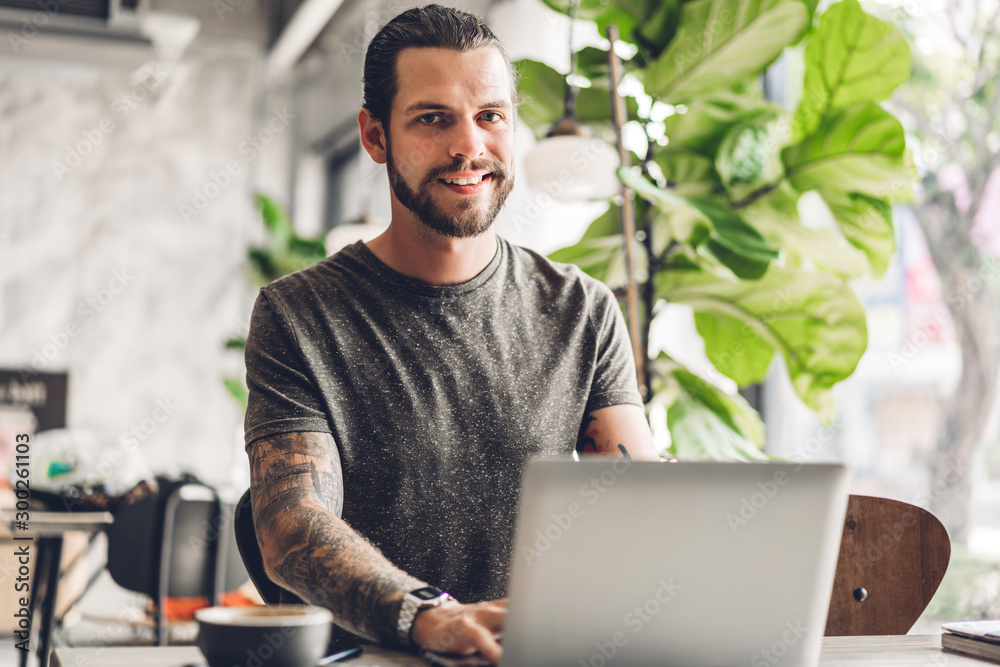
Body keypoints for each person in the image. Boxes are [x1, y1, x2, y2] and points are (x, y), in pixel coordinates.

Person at [243, 4, 658, 664]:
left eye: (491, 115)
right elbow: (291, 524)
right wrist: (427, 615)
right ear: (375, 137)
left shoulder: (583, 310)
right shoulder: (300, 315)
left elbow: (642, 513)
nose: (470, 145)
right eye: (434, 119)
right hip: (387, 655)